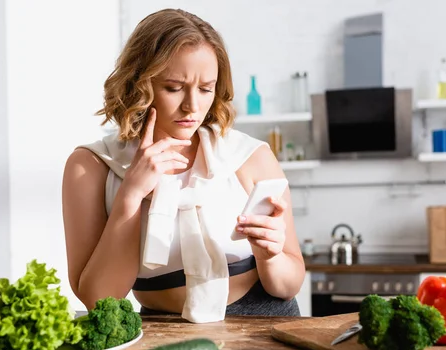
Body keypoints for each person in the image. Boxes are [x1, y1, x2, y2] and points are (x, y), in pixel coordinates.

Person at [62, 8, 305, 322]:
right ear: (138, 83)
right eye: (174, 88)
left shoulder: (250, 156)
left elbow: (290, 282)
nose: (193, 106)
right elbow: (98, 299)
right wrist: (131, 196)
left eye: (206, 89)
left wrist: (270, 256)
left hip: (264, 321)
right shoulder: (91, 167)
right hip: (159, 332)